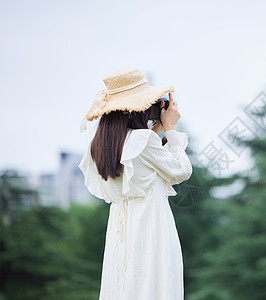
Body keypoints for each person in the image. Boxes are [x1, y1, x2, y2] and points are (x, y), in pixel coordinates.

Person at [78, 67, 193, 299]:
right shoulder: (143, 140)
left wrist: (154, 131)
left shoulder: (98, 146)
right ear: (134, 109)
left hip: (120, 224)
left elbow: (144, 160)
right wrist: (169, 128)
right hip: (150, 222)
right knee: (152, 283)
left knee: (122, 284)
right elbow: (181, 170)